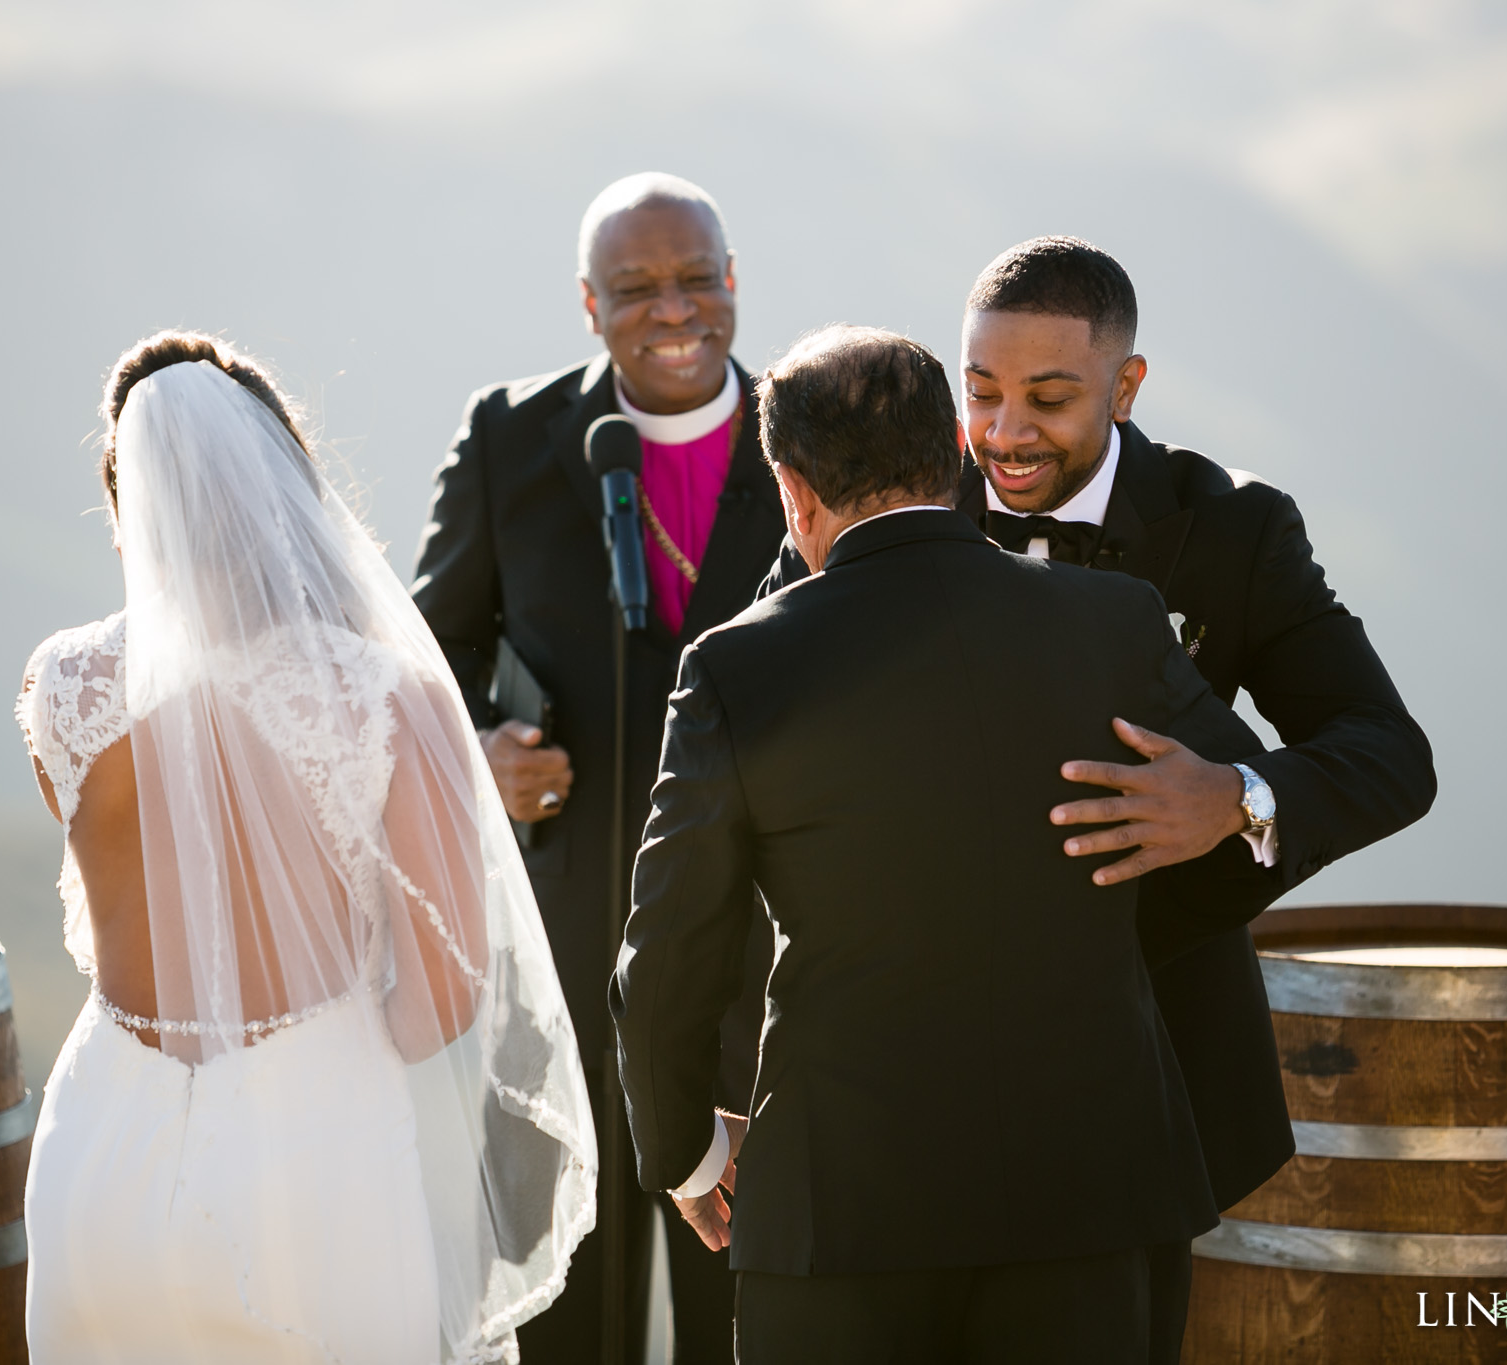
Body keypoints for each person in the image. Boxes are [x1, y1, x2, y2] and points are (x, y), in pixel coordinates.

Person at [761, 238, 1436, 1347]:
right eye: (979, 394)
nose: (1004, 433)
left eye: (1048, 398)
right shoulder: (885, 499)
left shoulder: (1228, 529)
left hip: (1139, 1070)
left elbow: (1385, 752)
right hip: (886, 1073)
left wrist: (1232, 795)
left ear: (1124, 388)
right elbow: (758, 712)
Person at [612, 325, 1285, 1364]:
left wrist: (691, 1156)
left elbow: (663, 964)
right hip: (1093, 1198)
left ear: (791, 491)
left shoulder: (734, 669)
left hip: (840, 1213)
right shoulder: (1113, 622)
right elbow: (1242, 830)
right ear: (954, 454)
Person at [15, 332, 594, 1364]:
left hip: (102, 1148)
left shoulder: (63, 688)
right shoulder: (383, 696)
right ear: (289, 494)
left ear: (131, 510)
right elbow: (441, 1004)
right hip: (309, 1167)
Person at [410, 174, 786, 1363]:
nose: (671, 310)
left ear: (734, 280)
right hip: (562, 955)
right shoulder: (509, 439)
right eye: (635, 288)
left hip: (768, 961)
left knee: (756, 1312)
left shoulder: (809, 433)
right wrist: (474, 752)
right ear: (588, 304)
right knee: (572, 1318)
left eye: (694, 279)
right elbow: (419, 653)